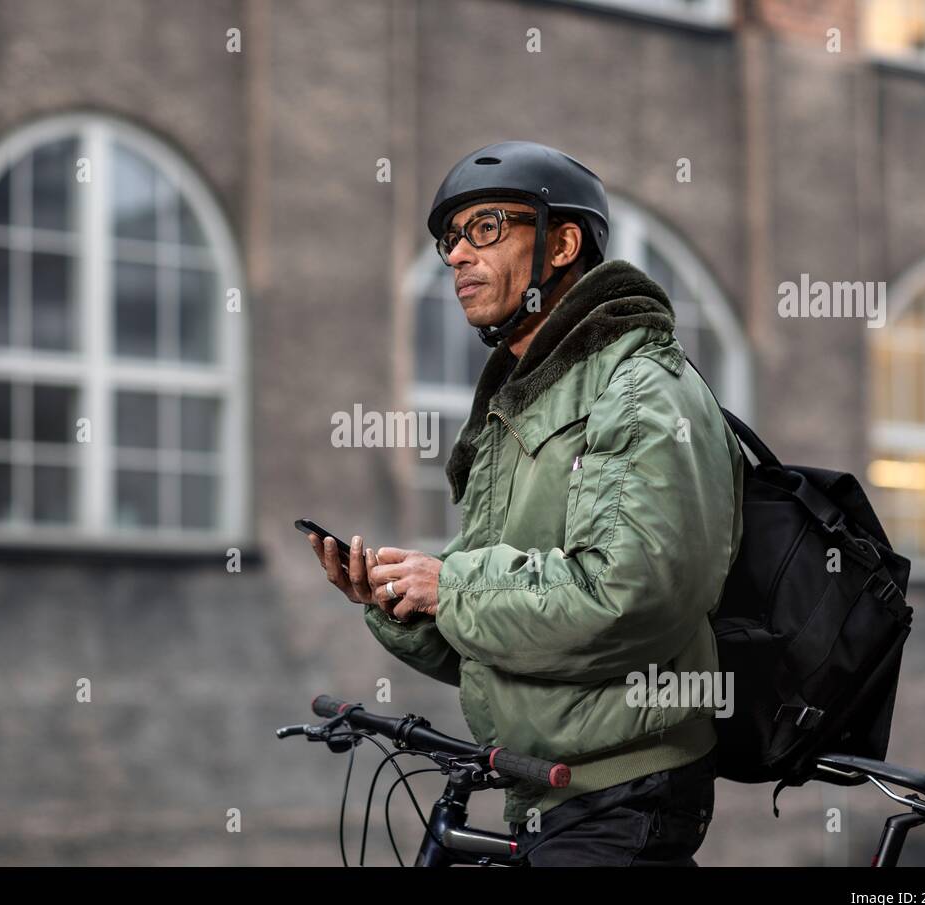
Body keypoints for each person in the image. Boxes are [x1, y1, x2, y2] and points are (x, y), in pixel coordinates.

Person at [306, 141, 744, 866]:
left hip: (622, 791)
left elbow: (630, 598)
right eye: (451, 238)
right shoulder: (525, 401)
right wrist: (406, 604)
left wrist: (452, 585)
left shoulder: (636, 388)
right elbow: (524, 634)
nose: (455, 255)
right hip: (546, 788)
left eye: (486, 230)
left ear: (562, 243)